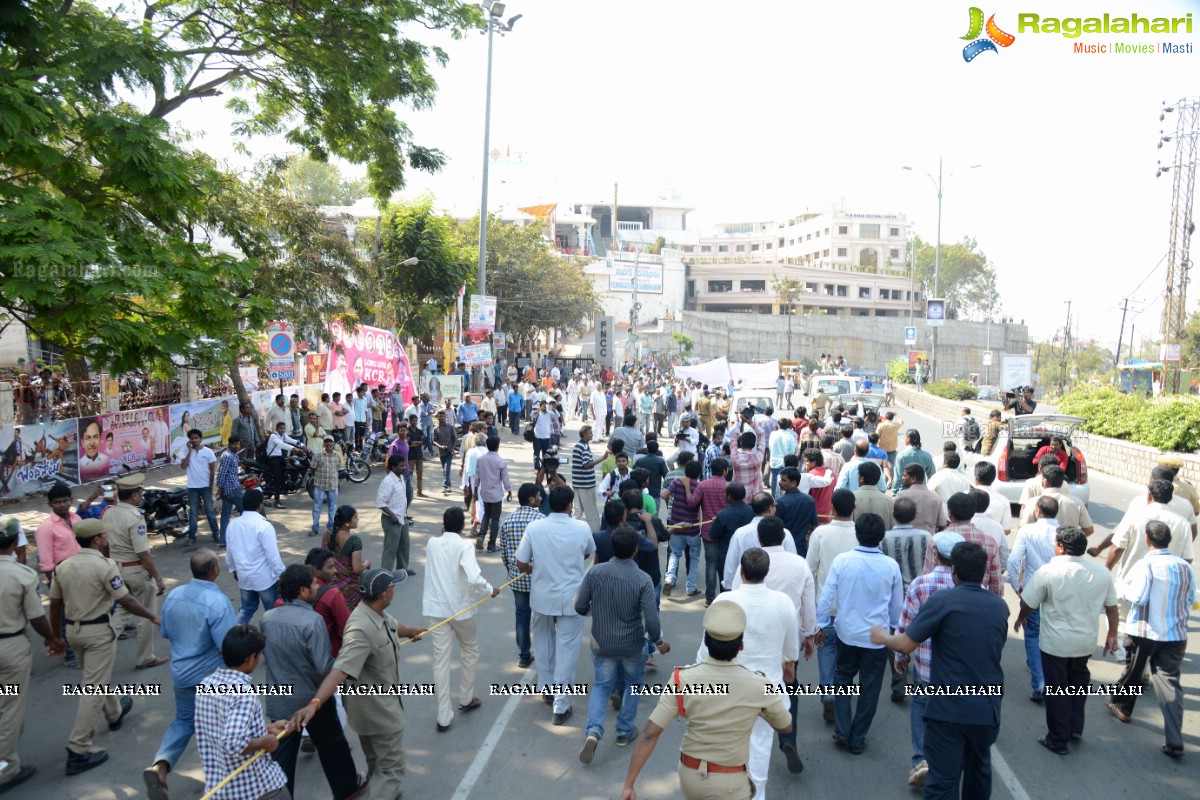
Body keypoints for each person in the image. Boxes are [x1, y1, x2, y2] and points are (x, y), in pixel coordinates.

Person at [871, 540, 1009, 798]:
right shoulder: (999, 606)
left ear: (954, 569)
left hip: (949, 709)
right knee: (979, 773)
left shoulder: (943, 600)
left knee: (943, 781)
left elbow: (906, 643)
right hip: (987, 709)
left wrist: (882, 638)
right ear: (983, 571)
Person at [618, 602, 791, 800]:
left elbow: (650, 734)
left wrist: (629, 785)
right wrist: (759, 709)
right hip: (732, 781)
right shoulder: (759, 685)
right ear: (741, 646)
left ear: (706, 642)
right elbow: (785, 726)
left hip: (691, 777)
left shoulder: (681, 679)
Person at [292, 569, 427, 800]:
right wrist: (314, 704)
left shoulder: (374, 613)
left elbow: (393, 626)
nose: (394, 589)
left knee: (377, 761)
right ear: (384, 594)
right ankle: (383, 792)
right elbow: (341, 669)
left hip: (371, 710)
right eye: (392, 586)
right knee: (392, 768)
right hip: (378, 710)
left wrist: (412, 631)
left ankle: (382, 791)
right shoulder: (361, 628)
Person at [49, 518, 160, 775]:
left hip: (74, 632)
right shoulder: (105, 566)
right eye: (104, 536)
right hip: (97, 631)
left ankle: (114, 712)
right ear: (97, 540)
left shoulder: (63, 567)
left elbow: (55, 605)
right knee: (92, 688)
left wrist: (56, 637)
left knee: (94, 676)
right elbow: (127, 600)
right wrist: (152, 616)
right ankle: (78, 749)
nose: (106, 538)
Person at [1014, 525, 1118, 755]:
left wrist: (1020, 619)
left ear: (1060, 547)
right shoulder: (1101, 573)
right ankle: (1074, 727)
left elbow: (1029, 603)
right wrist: (1112, 634)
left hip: (1056, 644)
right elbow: (1112, 608)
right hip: (1085, 643)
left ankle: (1057, 739)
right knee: (1078, 684)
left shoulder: (1048, 572)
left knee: (1057, 690)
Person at [142, 549, 236, 800]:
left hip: (181, 673)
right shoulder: (218, 602)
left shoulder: (174, 596)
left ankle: (160, 766)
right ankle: (224, 778)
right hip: (211, 676)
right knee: (223, 723)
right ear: (215, 571)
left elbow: (168, 632)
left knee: (184, 721)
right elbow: (228, 646)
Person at [261, 565, 362, 799]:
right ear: (303, 591)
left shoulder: (267, 618)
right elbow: (324, 666)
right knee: (333, 747)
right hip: (311, 698)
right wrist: (344, 664)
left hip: (280, 699)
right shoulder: (312, 620)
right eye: (314, 584)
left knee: (283, 758)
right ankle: (347, 789)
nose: (318, 586)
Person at [576, 526, 667, 765]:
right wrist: (658, 641)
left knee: (602, 686)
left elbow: (579, 606)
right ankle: (624, 731)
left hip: (602, 642)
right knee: (634, 684)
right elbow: (651, 618)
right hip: (632, 644)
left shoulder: (595, 573)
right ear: (636, 550)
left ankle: (593, 731)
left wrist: (596, 611)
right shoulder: (642, 579)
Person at [816, 513, 903, 755]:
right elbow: (897, 606)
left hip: (847, 633)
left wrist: (820, 624)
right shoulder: (890, 566)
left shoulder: (843, 561)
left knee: (842, 680)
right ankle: (858, 737)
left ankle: (842, 729)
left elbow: (826, 597)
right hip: (877, 638)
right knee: (870, 688)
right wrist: (894, 629)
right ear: (881, 537)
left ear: (857, 535)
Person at [1108, 521, 1194, 756]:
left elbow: (1139, 596)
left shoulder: (1146, 564)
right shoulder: (1184, 567)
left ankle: (1123, 707)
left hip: (1145, 631)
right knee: (1169, 684)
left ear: (1147, 539)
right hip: (1176, 634)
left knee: (1134, 671)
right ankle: (1174, 738)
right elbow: (1191, 599)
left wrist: (1122, 587)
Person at [515, 485, 596, 724]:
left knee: (543, 644)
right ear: (571, 505)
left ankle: (547, 687)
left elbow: (520, 563)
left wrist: (537, 567)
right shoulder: (581, 527)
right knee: (567, 651)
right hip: (571, 598)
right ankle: (561, 706)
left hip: (542, 596)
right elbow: (589, 552)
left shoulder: (535, 527)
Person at [194, 625, 292, 800]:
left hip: (220, 788)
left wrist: (267, 728)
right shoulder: (243, 693)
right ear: (250, 658)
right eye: (259, 655)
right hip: (255, 788)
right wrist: (265, 740)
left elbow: (219, 727)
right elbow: (233, 743)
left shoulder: (206, 684)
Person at [0, 518, 62, 791]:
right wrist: (52, 640)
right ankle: (6, 769)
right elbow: (37, 618)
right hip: (9, 650)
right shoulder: (21, 575)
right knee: (9, 708)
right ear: (15, 543)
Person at [424, 507, 496, 732]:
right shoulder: (465, 546)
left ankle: (443, 715)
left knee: (441, 660)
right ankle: (466, 697)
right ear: (463, 527)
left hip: (436, 609)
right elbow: (474, 577)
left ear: (443, 525)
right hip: (461, 610)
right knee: (469, 650)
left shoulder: (432, 543)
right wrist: (490, 589)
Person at [105, 473, 169, 670]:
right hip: (135, 571)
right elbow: (143, 553)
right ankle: (145, 657)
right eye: (140, 492)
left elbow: (106, 544)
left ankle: (100, 649)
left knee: (123, 611)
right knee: (146, 615)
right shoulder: (135, 518)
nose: (141, 495)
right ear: (133, 495)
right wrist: (158, 577)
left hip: (116, 569)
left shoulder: (109, 512)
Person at [1007, 496, 1061, 703]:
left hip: (1032, 590)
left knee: (1032, 634)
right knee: (1053, 635)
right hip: (1059, 590)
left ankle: (1039, 682)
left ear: (1038, 511)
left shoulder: (1028, 531)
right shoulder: (1063, 531)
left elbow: (1013, 561)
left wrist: (1017, 587)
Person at [499, 484, 544, 669]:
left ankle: (524, 655)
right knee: (541, 618)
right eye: (539, 496)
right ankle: (544, 655)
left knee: (521, 615)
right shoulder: (541, 519)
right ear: (532, 499)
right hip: (539, 577)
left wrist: (511, 570)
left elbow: (504, 552)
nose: (541, 498)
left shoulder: (508, 520)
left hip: (517, 578)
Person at [225, 488, 285, 624]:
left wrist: (233, 569)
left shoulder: (233, 525)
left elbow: (230, 552)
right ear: (260, 506)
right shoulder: (264, 526)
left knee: (246, 609)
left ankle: (234, 635)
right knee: (272, 611)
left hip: (244, 577)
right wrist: (282, 574)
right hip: (264, 579)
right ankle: (271, 640)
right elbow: (273, 556)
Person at [324, 506, 370, 612]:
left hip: (331, 582)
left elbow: (324, 559)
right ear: (347, 523)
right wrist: (367, 563)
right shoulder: (354, 541)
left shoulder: (328, 535)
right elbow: (357, 569)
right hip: (350, 587)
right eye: (355, 517)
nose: (358, 519)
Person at [180, 428, 219, 546]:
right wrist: (190, 451)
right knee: (193, 513)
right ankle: (192, 537)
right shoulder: (186, 452)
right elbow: (183, 466)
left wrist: (211, 486)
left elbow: (212, 471)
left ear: (200, 439)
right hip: (192, 488)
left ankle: (216, 534)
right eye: (192, 438)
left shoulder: (208, 452)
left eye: (196, 438)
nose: (194, 440)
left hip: (205, 487)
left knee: (209, 511)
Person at [377, 455, 413, 575]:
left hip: (402, 517)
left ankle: (403, 569)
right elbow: (381, 502)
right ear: (393, 467)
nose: (404, 468)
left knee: (404, 546)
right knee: (391, 549)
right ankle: (385, 573)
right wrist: (392, 515)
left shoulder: (401, 477)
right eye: (401, 466)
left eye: (405, 465)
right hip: (391, 520)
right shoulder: (388, 482)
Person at [475, 436, 511, 552]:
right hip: (496, 495)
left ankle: (481, 535)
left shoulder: (481, 460)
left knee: (486, 514)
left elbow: (477, 477)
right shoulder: (500, 461)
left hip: (484, 492)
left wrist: (475, 491)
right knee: (495, 519)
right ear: (498, 446)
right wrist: (509, 490)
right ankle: (491, 544)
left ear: (486, 444)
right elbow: (505, 479)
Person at [214, 435, 244, 546]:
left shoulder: (232, 455)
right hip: (232, 489)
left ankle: (223, 541)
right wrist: (219, 487)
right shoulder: (228, 456)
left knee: (225, 516)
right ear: (229, 444)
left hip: (227, 490)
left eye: (238, 444)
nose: (237, 446)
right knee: (246, 511)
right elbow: (222, 473)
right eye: (234, 444)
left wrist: (221, 489)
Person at [311, 435, 342, 539]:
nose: (328, 444)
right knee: (316, 507)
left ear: (333, 443)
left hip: (333, 485)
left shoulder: (337, 456)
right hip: (320, 485)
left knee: (332, 507)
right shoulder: (318, 455)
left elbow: (337, 468)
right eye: (326, 442)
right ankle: (315, 528)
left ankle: (331, 527)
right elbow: (312, 468)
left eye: (330, 442)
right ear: (324, 443)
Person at [432, 410, 458, 494]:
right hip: (441, 452)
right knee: (445, 469)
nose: (442, 418)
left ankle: (444, 486)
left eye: (443, 416)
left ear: (445, 417)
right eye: (440, 416)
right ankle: (449, 485)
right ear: (437, 417)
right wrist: (440, 446)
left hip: (449, 451)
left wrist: (453, 449)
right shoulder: (435, 429)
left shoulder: (450, 427)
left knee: (447, 470)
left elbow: (455, 438)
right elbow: (434, 441)